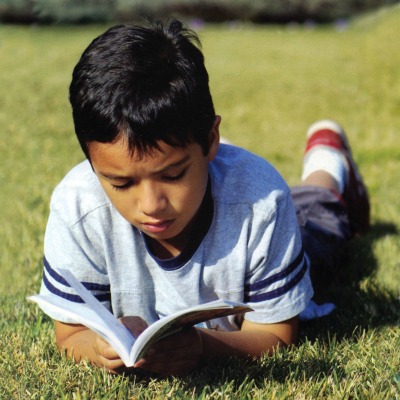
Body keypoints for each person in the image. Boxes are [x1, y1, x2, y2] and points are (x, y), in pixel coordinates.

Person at [37, 20, 369, 376]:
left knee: (318, 222)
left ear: (211, 139)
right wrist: (98, 350)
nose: (151, 205)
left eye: (173, 175)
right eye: (120, 183)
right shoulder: (78, 206)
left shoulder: (261, 204)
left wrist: (202, 347)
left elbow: (276, 333)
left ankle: (327, 159)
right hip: (214, 176)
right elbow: (71, 333)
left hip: (272, 216)